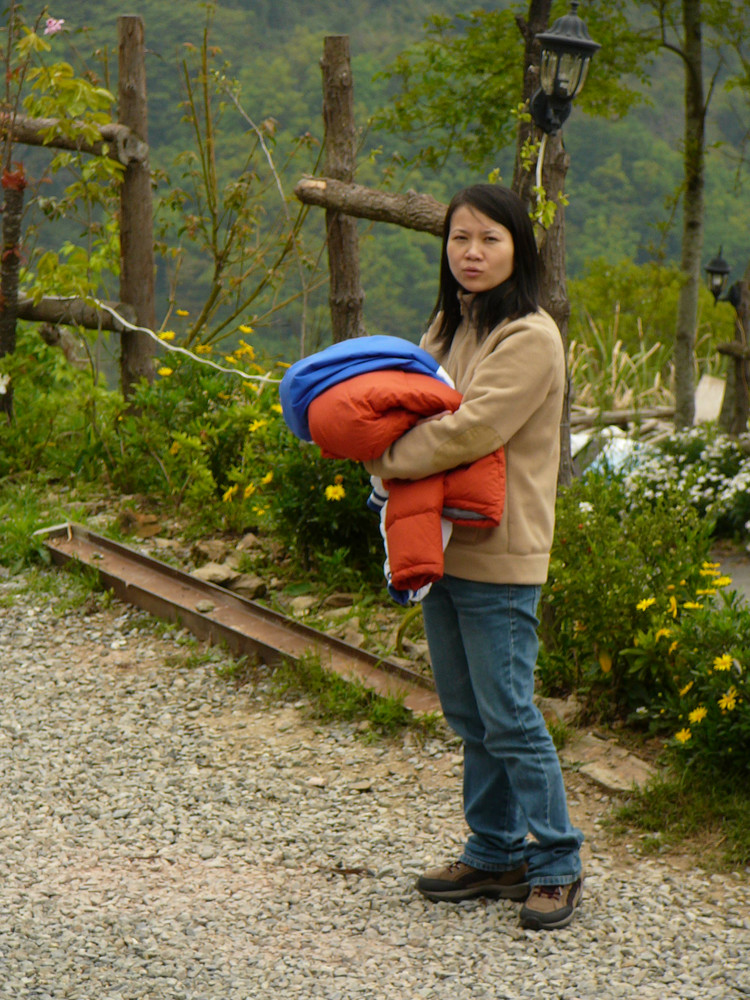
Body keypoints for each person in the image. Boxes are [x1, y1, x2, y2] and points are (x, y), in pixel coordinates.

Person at [365, 183, 584, 931]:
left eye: (490, 238)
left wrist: (382, 457)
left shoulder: (530, 336)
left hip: (502, 554)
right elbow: (406, 395)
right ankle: (494, 851)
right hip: (444, 546)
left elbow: (471, 429)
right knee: (469, 713)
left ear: (518, 249)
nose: (472, 252)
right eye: (460, 238)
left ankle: (557, 861)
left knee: (510, 715)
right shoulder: (449, 322)